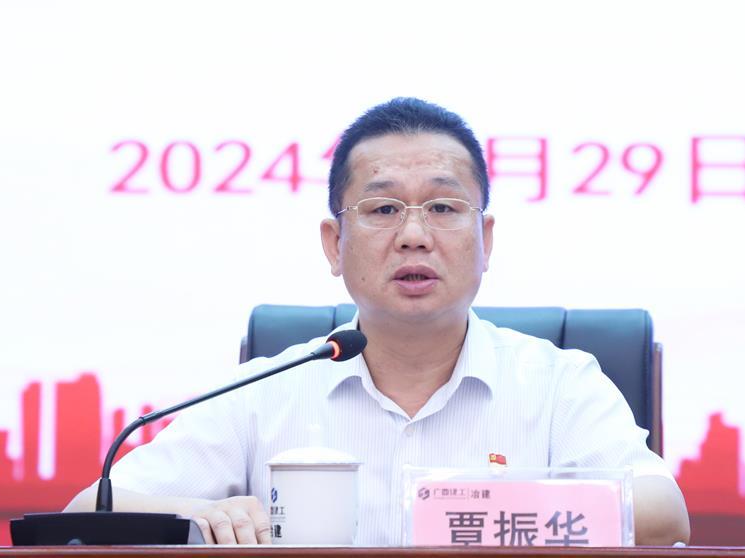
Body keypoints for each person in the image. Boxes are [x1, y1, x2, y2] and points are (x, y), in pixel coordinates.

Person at [65, 97, 690, 545]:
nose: (414, 235)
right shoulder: (267, 391)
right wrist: (201, 514)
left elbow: (664, 513)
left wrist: (472, 511)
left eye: (443, 207)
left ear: (486, 240)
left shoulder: (558, 383)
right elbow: (88, 509)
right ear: (334, 244)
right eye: (384, 208)